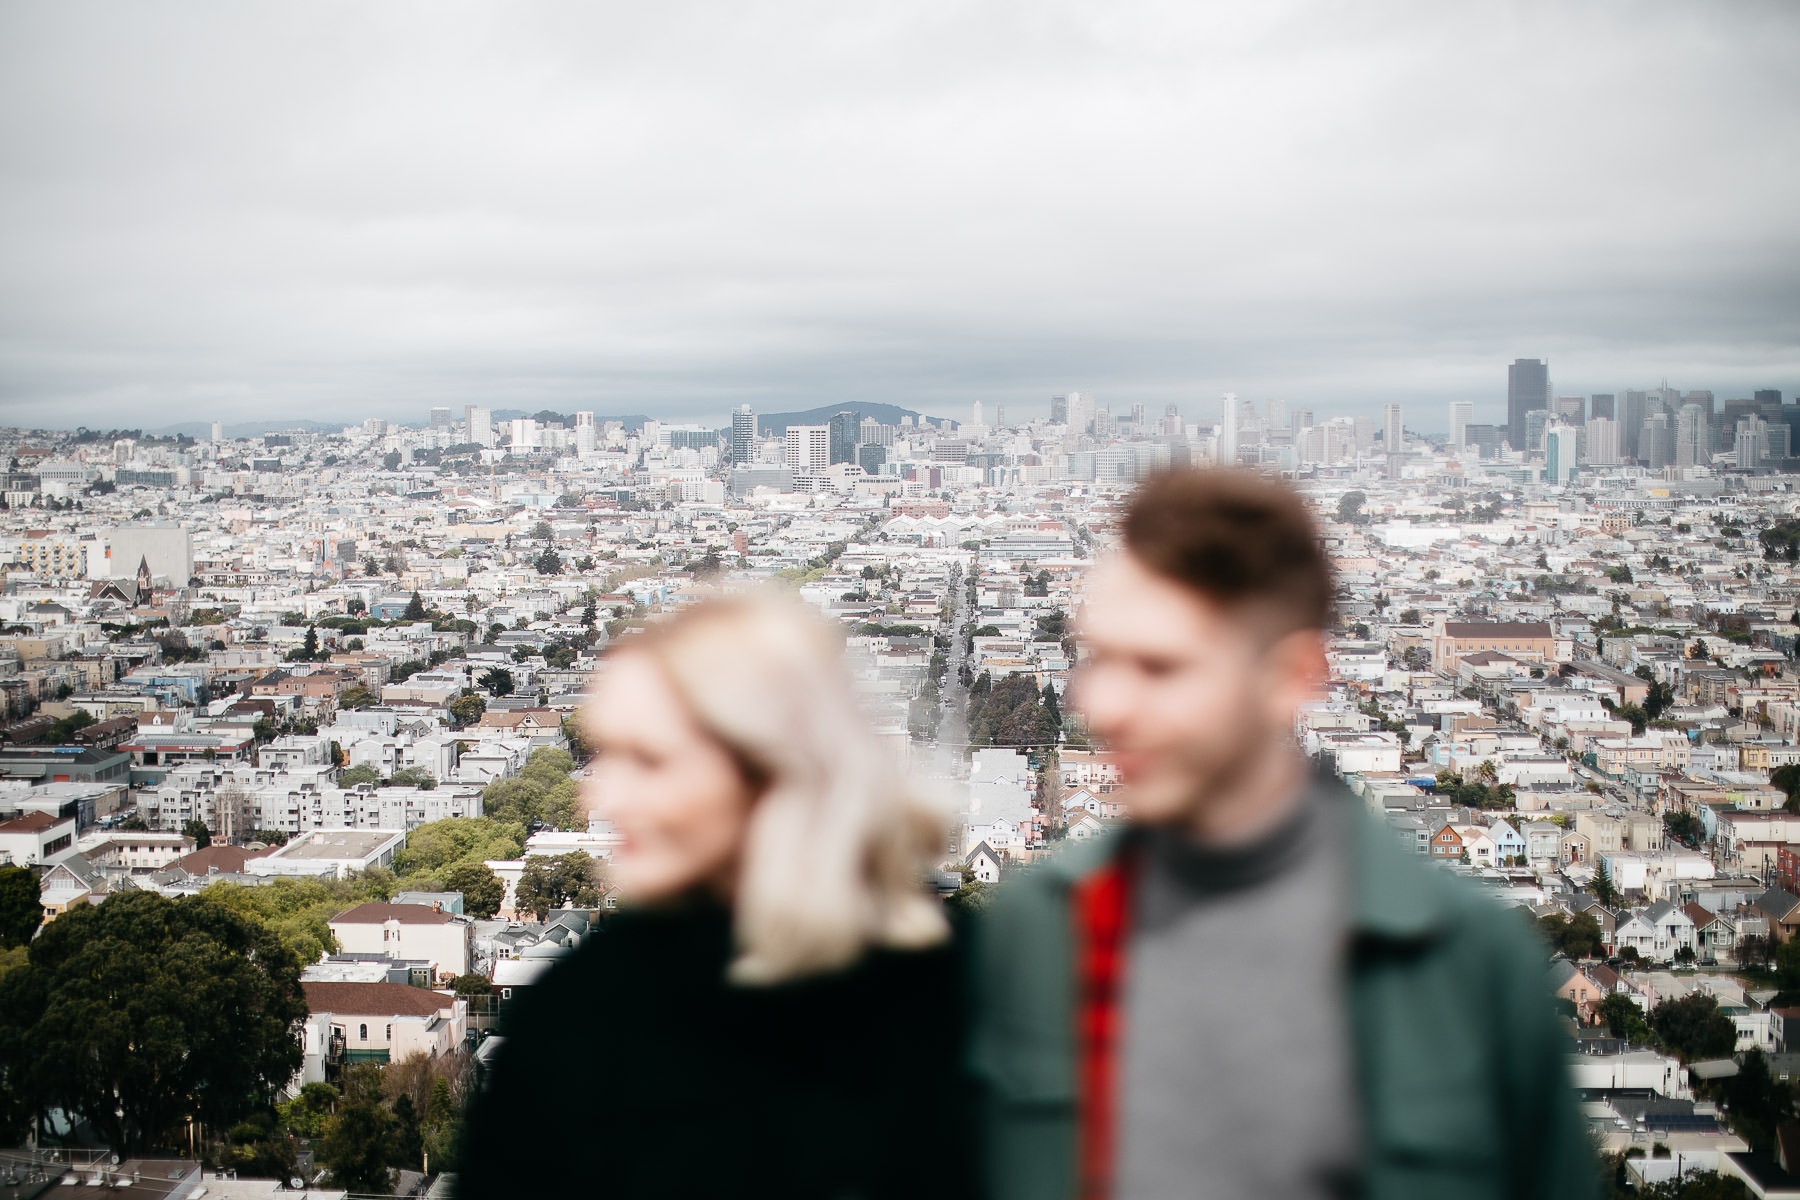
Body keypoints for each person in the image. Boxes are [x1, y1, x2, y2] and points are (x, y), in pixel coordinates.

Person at [969, 468, 1594, 1200]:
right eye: (1101, 658)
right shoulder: (1038, 930)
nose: (1104, 702)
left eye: (1162, 667)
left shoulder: (1470, 968)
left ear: (1293, 675)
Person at [457, 596, 971, 1199]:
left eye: (650, 760)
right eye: (606, 755)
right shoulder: (584, 1005)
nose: (605, 796)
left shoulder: (956, 994)